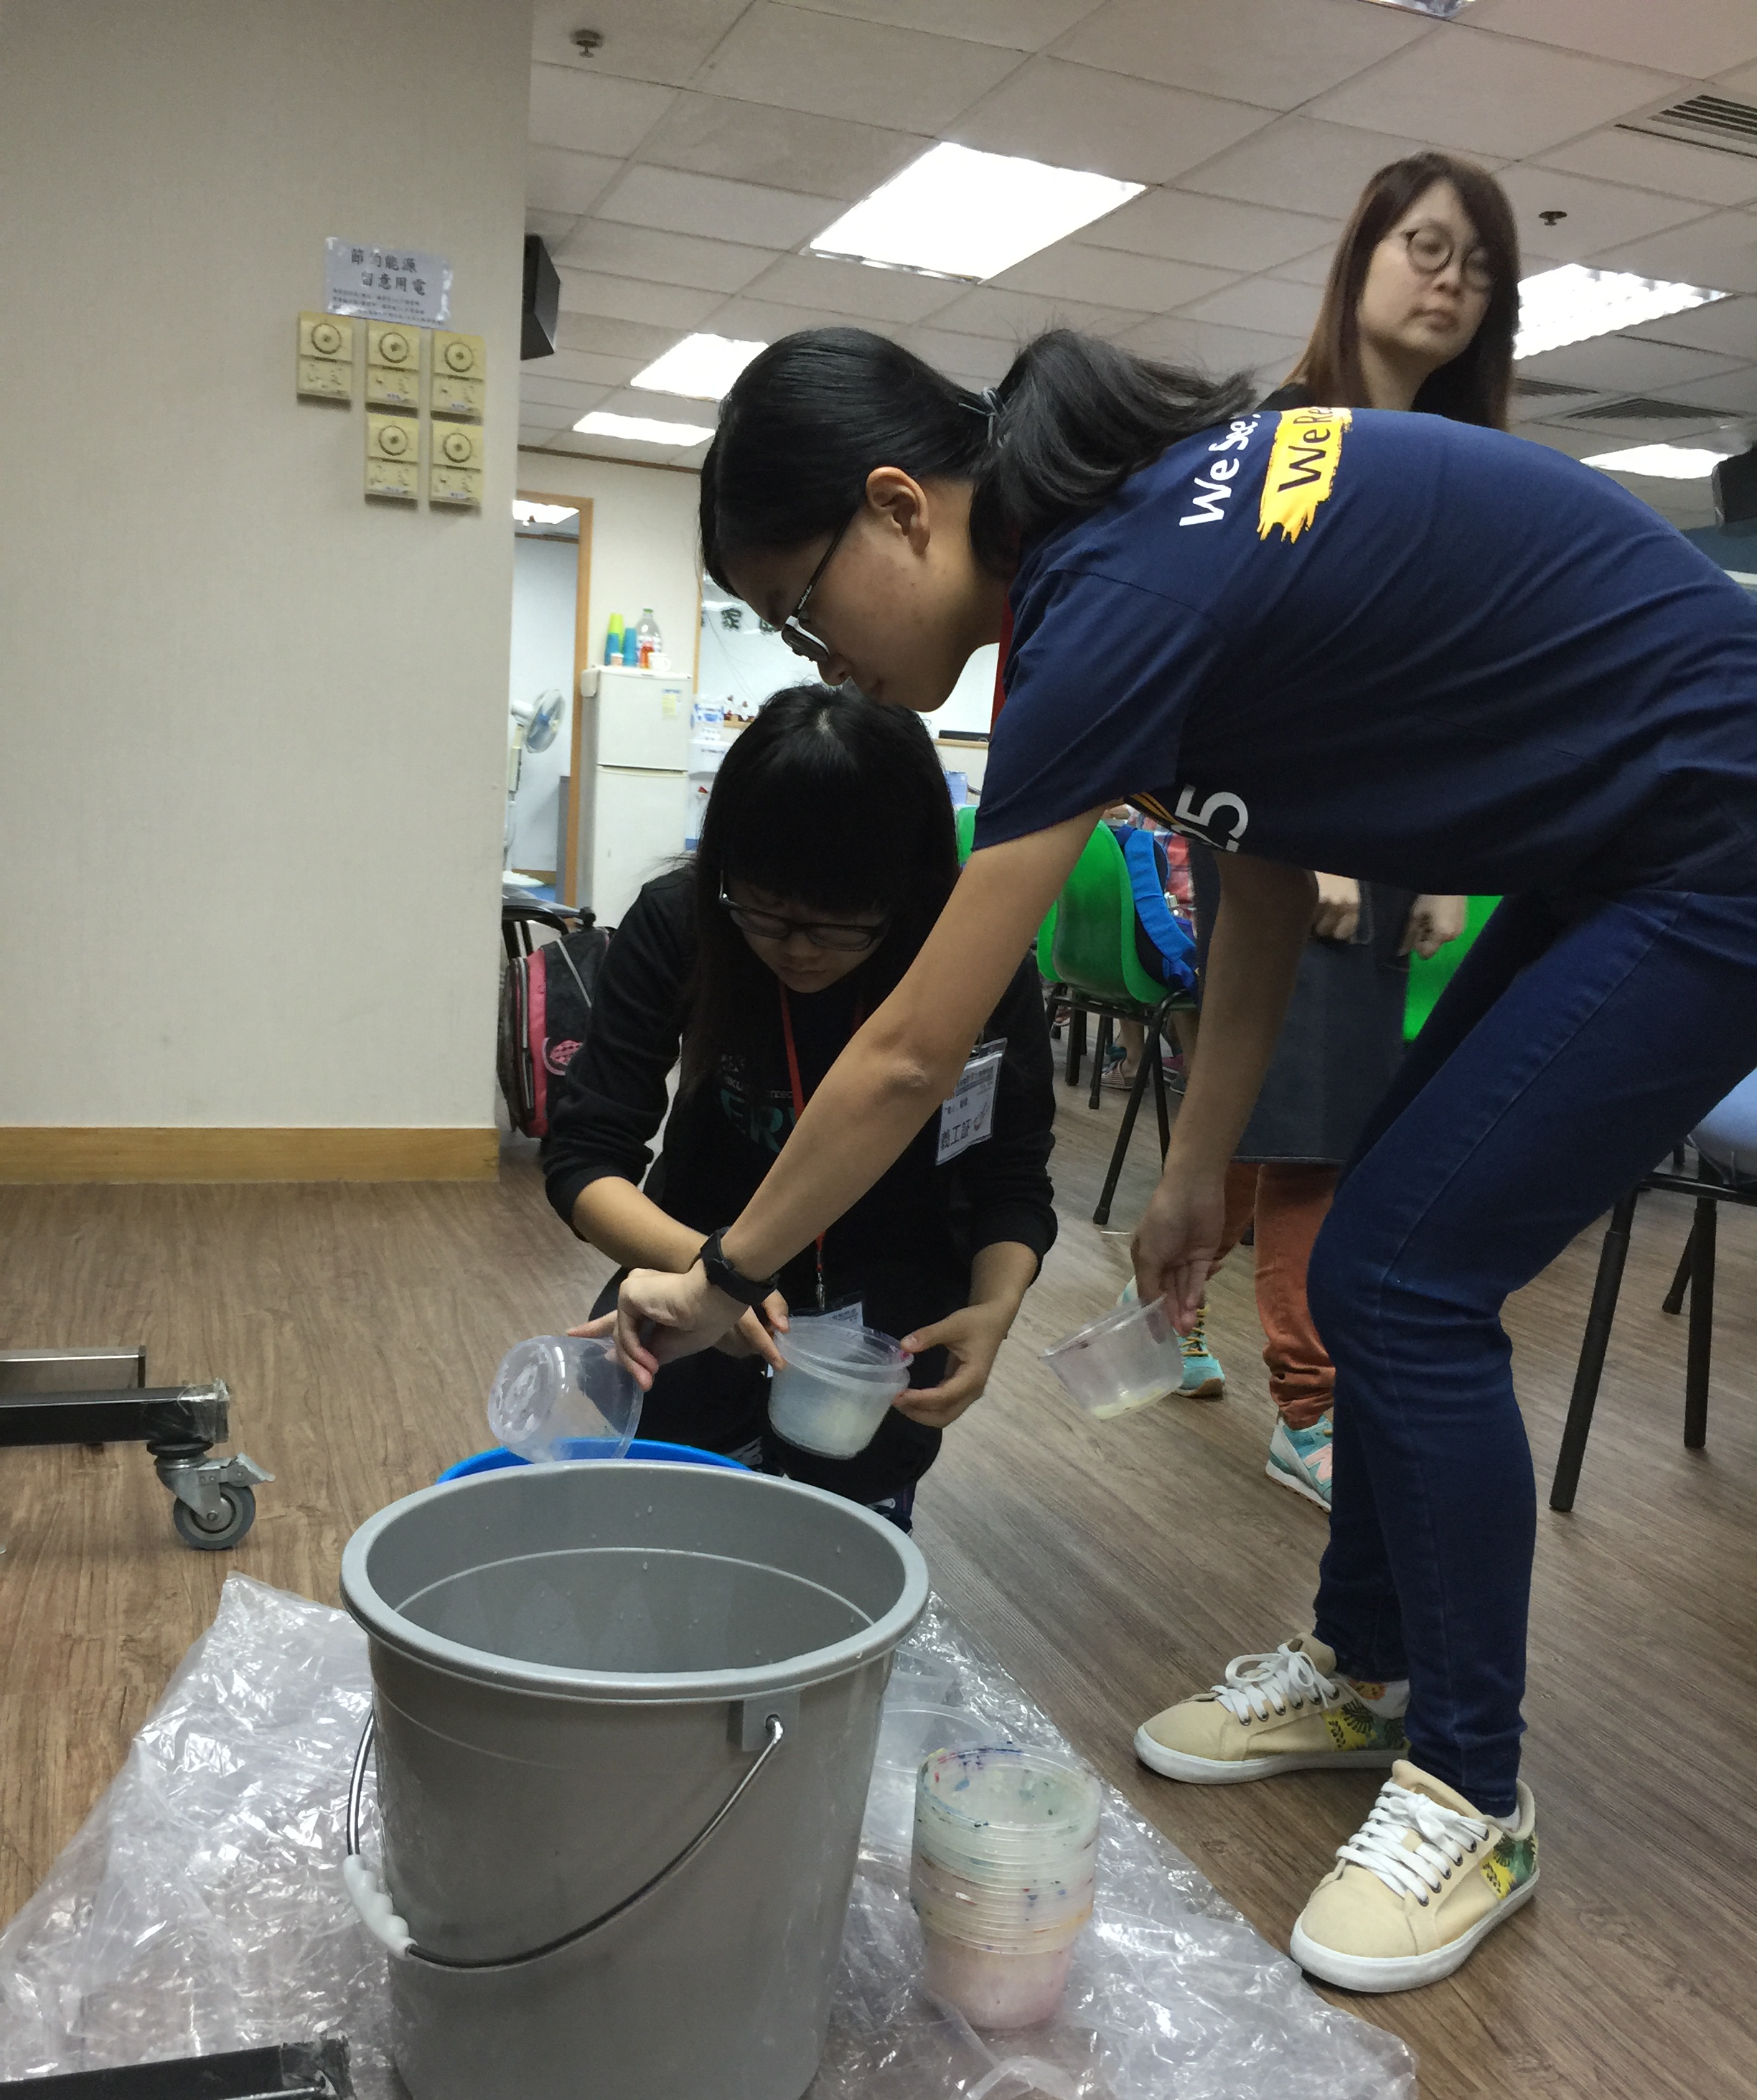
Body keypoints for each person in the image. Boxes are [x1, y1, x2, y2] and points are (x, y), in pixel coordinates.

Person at [601, 317, 1757, 1994]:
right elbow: (1262, 864)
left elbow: (917, 1045)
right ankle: (1365, 1667)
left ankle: (1472, 1786)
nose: (821, 655)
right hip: (1625, 830)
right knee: (1376, 1259)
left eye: (801, 604)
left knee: (1397, 1274)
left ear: (898, 508)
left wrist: (721, 1274)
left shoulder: (1106, 592)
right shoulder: (1112, 550)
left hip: (1709, 832)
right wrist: (1197, 1165)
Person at [1187, 153, 1508, 1509]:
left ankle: (1168, 1308)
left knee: (1295, 1111)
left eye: (1479, 266)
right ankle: (1306, 1408)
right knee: (1312, 1125)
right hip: (1282, 834)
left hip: (1381, 840)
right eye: (1426, 247)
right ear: (1361, 254)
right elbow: (1255, 667)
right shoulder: (1294, 439)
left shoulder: (1463, 464)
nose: (1450, 280)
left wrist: (1433, 865)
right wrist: (1306, 841)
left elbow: (1446, 694)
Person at [545, 683, 1056, 1526]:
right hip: (697, 1241)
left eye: (841, 923)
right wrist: (712, 1272)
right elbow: (585, 1160)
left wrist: (995, 1309)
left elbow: (1013, 1177)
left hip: (889, 1285)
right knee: (661, 1460)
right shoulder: (682, 922)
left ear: (908, 892)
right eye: (766, 915)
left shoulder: (971, 959)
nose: (799, 949)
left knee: (849, 1507)